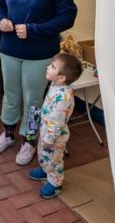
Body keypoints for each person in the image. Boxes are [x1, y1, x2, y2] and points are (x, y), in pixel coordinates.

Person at [0, 0, 77, 166]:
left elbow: (67, 17)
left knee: (33, 99)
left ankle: (29, 139)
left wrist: (33, 30)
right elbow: (0, 4)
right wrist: (2, 20)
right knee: (10, 94)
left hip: (38, 53)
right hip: (9, 48)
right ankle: (8, 133)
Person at [28, 53, 82, 198]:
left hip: (54, 136)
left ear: (62, 77)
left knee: (54, 159)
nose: (47, 67)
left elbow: (57, 121)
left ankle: (56, 182)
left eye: (52, 66)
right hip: (47, 130)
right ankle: (46, 169)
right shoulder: (55, 85)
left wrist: (50, 139)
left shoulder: (63, 97)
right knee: (44, 154)